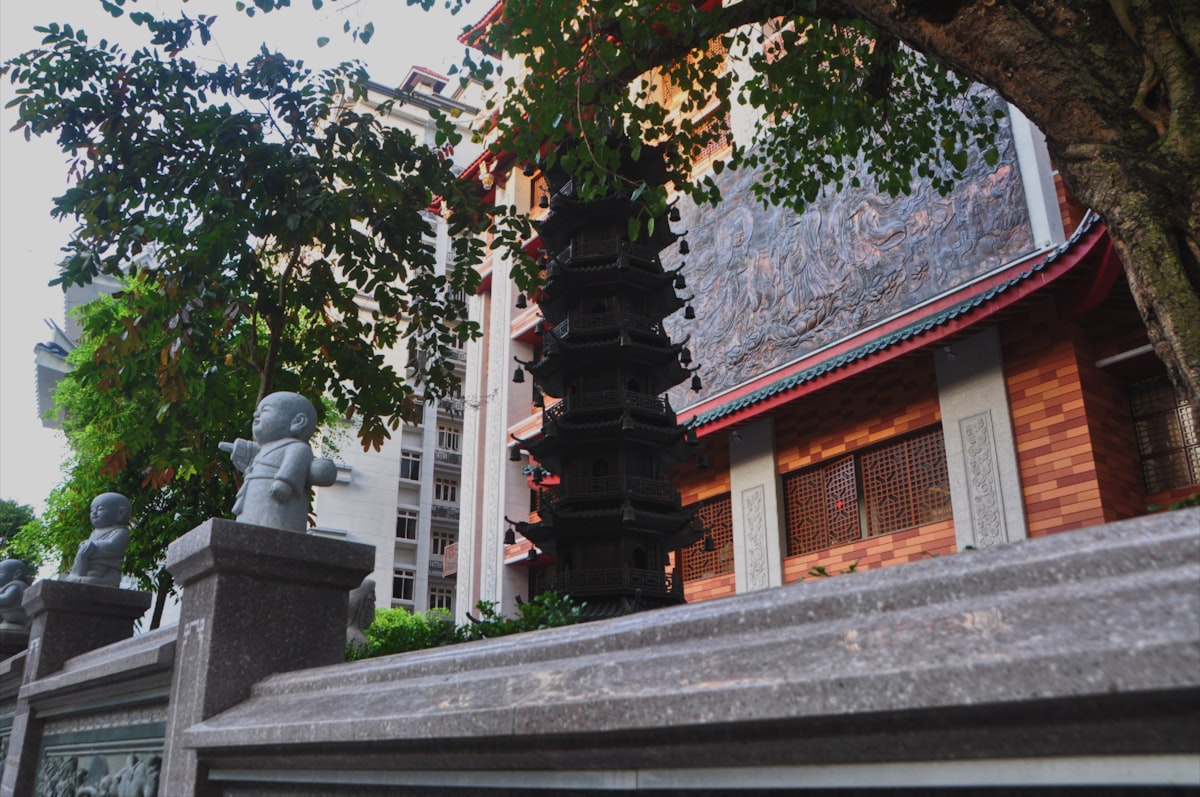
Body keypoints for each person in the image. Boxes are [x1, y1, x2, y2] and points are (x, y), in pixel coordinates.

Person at [221, 392, 336, 532]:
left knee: (272, 525)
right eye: (257, 412)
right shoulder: (264, 449)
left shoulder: (298, 447)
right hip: (254, 498)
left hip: (278, 499)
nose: (256, 416)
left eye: (265, 410)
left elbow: (294, 464)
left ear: (298, 421)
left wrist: (285, 482)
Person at [63, 492, 131, 587]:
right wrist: (86, 545)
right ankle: (77, 574)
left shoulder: (120, 532)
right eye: (92, 510)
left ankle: (86, 577)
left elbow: (113, 546)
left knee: (87, 549)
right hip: (89, 564)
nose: (94, 513)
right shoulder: (95, 532)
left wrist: (93, 546)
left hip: (106, 569)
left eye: (100, 509)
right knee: (83, 551)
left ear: (120, 513)